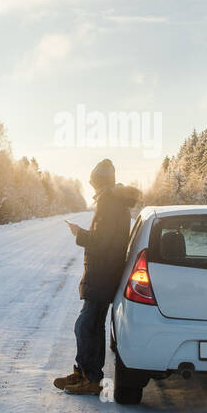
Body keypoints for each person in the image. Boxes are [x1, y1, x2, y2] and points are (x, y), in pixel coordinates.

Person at [55, 158, 141, 395]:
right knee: (93, 326)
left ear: (100, 182)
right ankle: (85, 373)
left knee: (84, 326)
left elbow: (103, 242)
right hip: (105, 271)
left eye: (94, 183)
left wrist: (79, 233)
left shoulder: (109, 203)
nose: (93, 188)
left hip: (103, 272)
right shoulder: (115, 202)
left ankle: (90, 377)